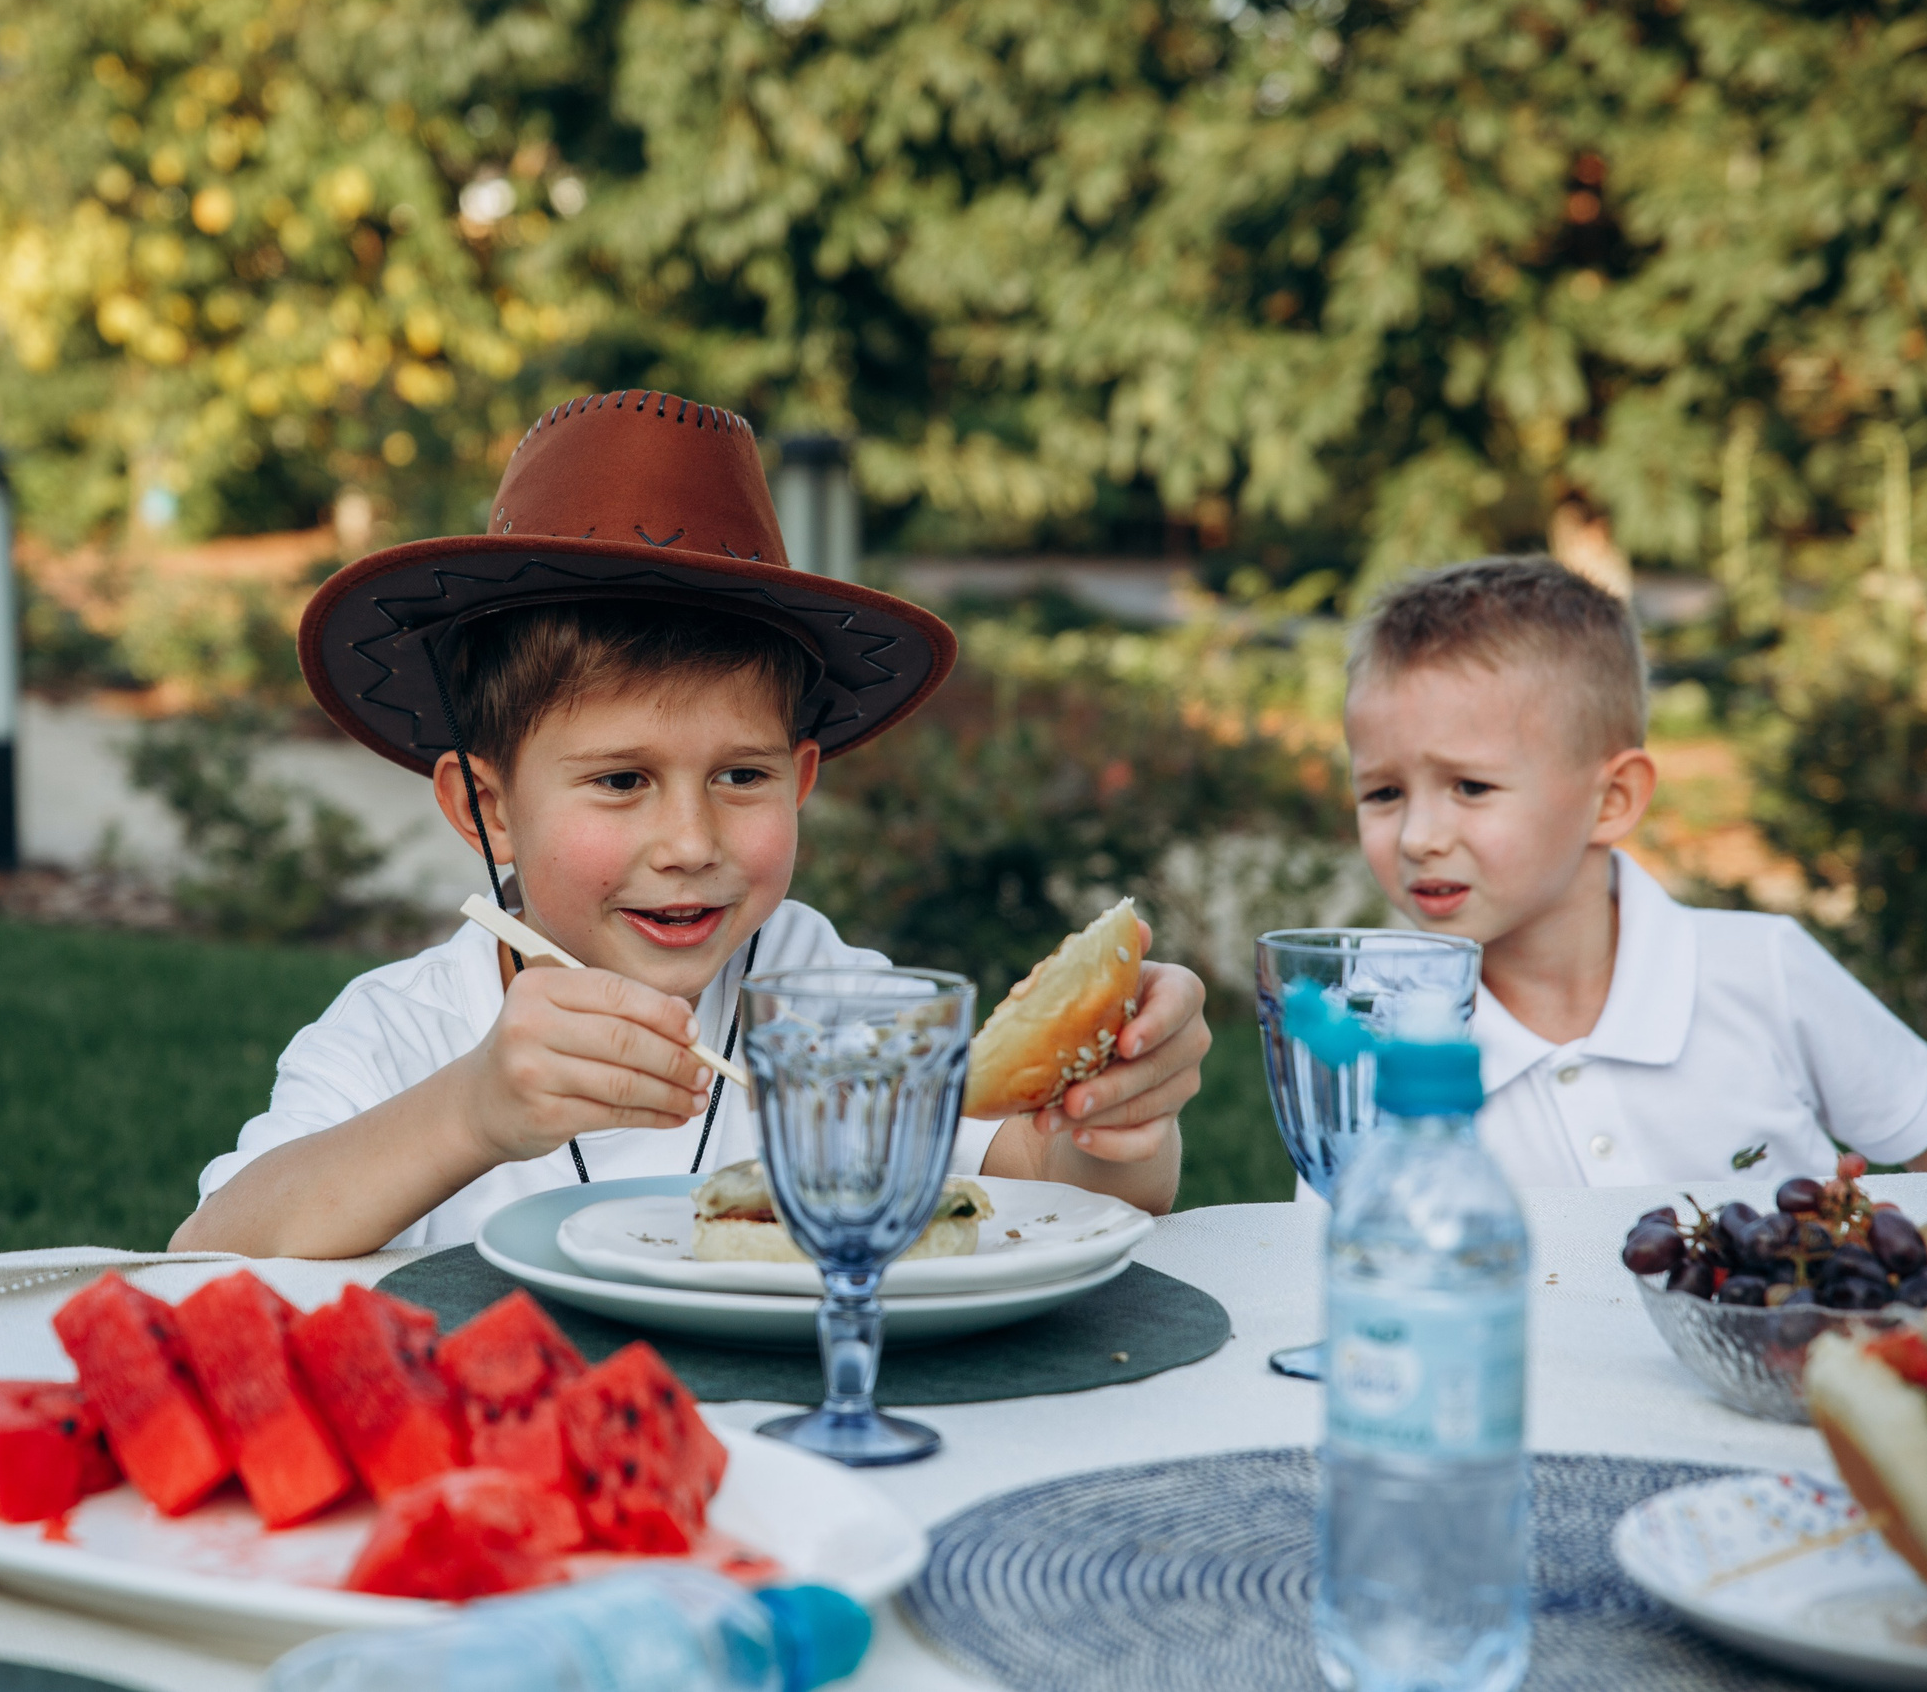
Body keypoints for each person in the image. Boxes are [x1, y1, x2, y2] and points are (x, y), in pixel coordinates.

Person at [173, 392, 1214, 1257]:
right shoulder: (406, 1031)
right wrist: (468, 1114)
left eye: (740, 775)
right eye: (622, 780)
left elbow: (1047, 1183)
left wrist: (1117, 1119)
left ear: (802, 778)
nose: (689, 842)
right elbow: (205, 1254)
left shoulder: (826, 997)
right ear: (484, 805)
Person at [1344, 555, 1927, 1187]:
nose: (1418, 838)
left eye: (1470, 785)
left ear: (1614, 799)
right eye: (1383, 794)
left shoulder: (1764, 971)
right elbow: (1331, 1252)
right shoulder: (1369, 1037)